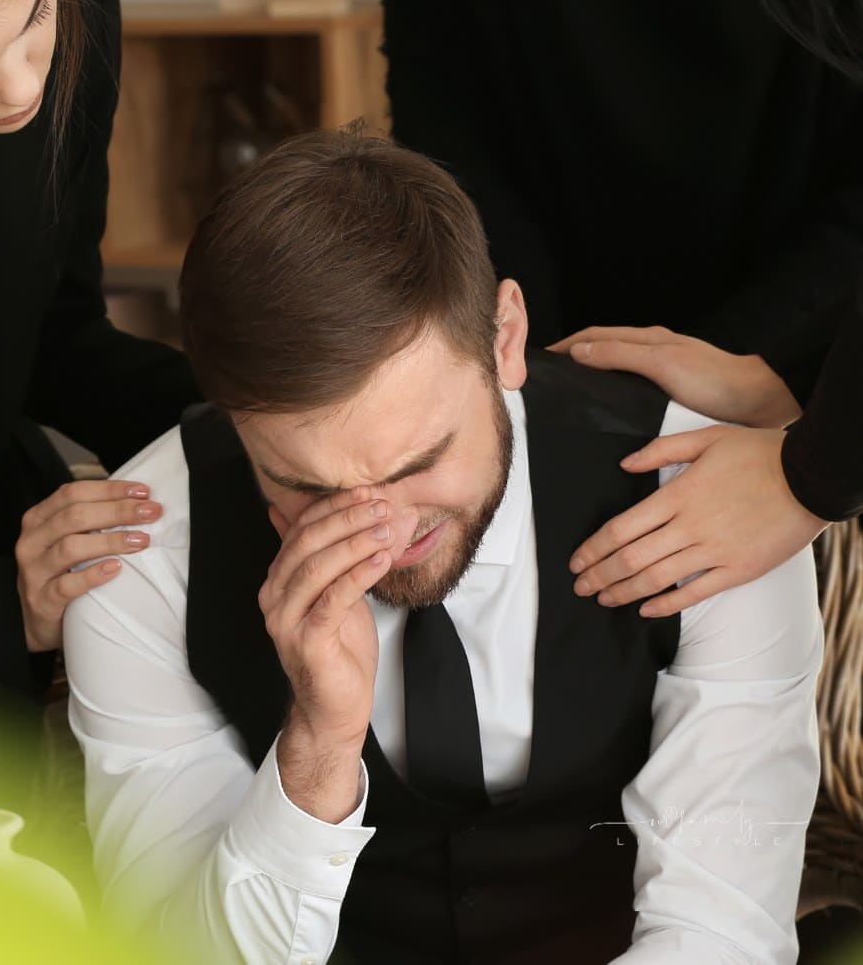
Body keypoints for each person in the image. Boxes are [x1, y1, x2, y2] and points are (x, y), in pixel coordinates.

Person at [64, 131, 821, 965]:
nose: (382, 532)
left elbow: (721, 932)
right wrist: (317, 751)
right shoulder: (139, 550)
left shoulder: (707, 497)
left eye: (420, 463)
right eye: (306, 488)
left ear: (504, 337)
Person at [371, 0, 863, 618]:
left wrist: (753, 367)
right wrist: (546, 373)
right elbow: (444, 112)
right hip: (548, 364)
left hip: (817, 382)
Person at [0, 0, 199, 778]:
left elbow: (52, 332)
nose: (20, 86)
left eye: (34, 20)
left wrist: (255, 415)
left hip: (16, 556)